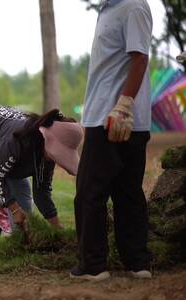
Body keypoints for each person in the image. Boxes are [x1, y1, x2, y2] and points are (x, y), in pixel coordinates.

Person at [71, 0, 153, 281]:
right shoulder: (108, 9)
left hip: (115, 117)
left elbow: (140, 57)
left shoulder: (133, 6)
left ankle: (95, 266)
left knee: (90, 193)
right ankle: (135, 261)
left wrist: (124, 104)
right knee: (125, 192)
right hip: (103, 114)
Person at [0, 105, 83, 269]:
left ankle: (20, 247)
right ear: (47, 139)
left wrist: (58, 229)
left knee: (23, 195)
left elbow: (42, 194)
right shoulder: (18, 138)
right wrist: (14, 209)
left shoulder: (47, 155)